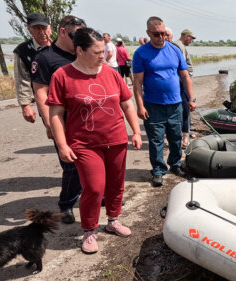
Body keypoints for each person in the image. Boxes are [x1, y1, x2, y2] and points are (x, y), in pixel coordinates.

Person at [47, 27, 142, 254]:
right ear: (80, 50)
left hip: (116, 138)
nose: (104, 55)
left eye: (103, 50)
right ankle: (89, 230)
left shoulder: (111, 73)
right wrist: (62, 145)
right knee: (94, 186)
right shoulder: (62, 76)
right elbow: (56, 114)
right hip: (84, 142)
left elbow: (127, 104)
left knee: (116, 184)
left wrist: (136, 131)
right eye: (97, 51)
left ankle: (112, 220)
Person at [31, 15, 87, 224]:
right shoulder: (46, 58)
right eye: (75, 36)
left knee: (93, 161)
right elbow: (41, 92)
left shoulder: (82, 53)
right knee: (71, 165)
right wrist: (49, 124)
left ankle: (95, 195)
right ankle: (66, 205)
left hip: (86, 120)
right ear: (62, 32)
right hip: (62, 122)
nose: (79, 40)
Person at [133, 16, 196, 187]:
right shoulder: (141, 53)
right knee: (156, 139)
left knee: (176, 137)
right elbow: (137, 83)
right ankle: (158, 170)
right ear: (148, 33)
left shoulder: (174, 50)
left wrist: (191, 98)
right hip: (153, 105)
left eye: (162, 34)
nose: (160, 37)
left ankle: (175, 164)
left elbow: (184, 76)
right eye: (156, 34)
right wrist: (139, 105)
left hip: (175, 103)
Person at [13, 12, 51, 123]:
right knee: (56, 134)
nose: (42, 32)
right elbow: (22, 80)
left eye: (44, 28)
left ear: (50, 27)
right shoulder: (23, 51)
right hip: (45, 102)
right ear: (29, 29)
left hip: (68, 99)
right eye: (37, 28)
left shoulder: (60, 46)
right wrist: (25, 105)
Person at [173, 28, 195, 146]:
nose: (191, 40)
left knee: (184, 110)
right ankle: (184, 137)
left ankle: (185, 134)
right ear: (185, 36)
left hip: (184, 83)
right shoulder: (178, 46)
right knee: (185, 109)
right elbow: (180, 68)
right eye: (190, 38)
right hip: (182, 85)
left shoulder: (181, 46)